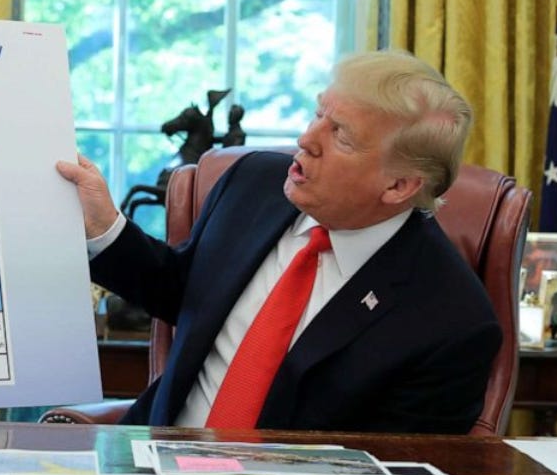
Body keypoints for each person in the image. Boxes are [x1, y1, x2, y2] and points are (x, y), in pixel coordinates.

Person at [56, 49, 501, 434]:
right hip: (154, 469)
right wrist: (104, 227)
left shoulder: (452, 321)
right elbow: (181, 291)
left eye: (340, 134)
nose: (306, 139)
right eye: (318, 114)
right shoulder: (254, 183)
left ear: (399, 186)